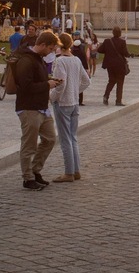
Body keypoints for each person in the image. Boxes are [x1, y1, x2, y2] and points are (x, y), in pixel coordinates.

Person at [13, 30, 62, 190]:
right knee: (29, 145)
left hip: (42, 107)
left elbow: (38, 79)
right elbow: (25, 86)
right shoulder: (26, 60)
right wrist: (47, 85)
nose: (51, 53)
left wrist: (50, 80)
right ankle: (27, 178)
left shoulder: (38, 59)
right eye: (51, 49)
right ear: (42, 45)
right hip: (29, 108)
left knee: (50, 139)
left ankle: (35, 170)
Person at [50, 33, 90, 182]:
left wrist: (52, 96)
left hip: (63, 103)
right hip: (74, 102)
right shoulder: (76, 60)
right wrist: (75, 91)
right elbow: (86, 82)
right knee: (73, 137)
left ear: (59, 45)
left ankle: (69, 172)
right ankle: (76, 170)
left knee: (65, 138)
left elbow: (61, 83)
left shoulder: (60, 61)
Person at [96, 27, 131, 106]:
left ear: (113, 33)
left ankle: (106, 95)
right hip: (120, 65)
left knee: (111, 81)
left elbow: (99, 50)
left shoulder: (107, 41)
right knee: (120, 82)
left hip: (110, 65)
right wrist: (129, 54)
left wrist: (108, 51)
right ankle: (118, 101)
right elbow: (125, 53)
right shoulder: (122, 42)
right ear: (120, 33)